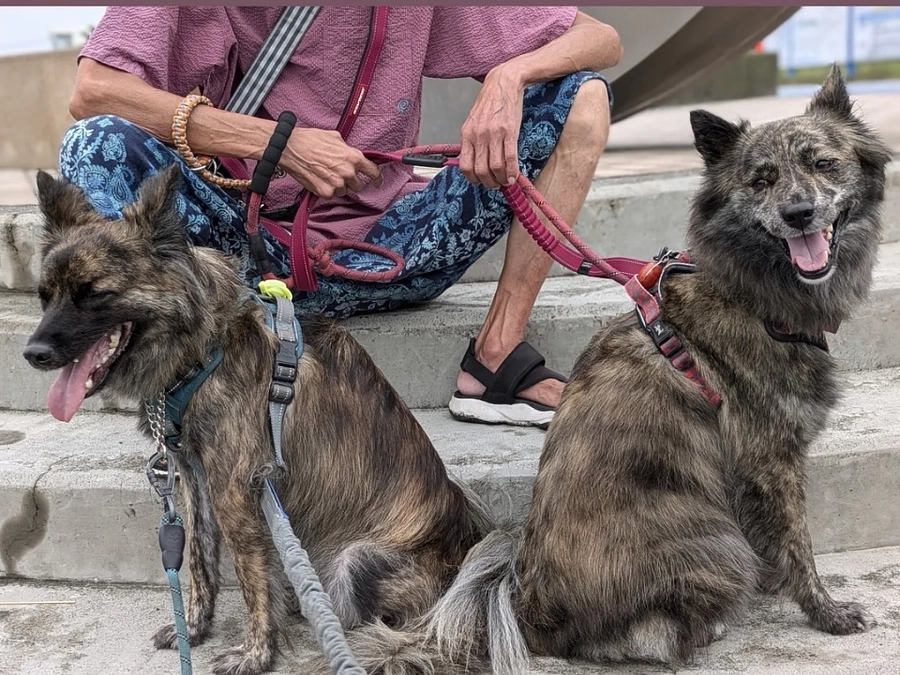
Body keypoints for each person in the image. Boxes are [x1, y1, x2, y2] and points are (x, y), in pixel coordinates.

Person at [63, 6, 622, 427]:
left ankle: (496, 357)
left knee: (582, 95)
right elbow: (94, 92)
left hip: (390, 251)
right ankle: (194, 369)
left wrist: (509, 77)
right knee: (93, 144)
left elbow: (599, 37)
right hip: (234, 264)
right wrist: (281, 145)